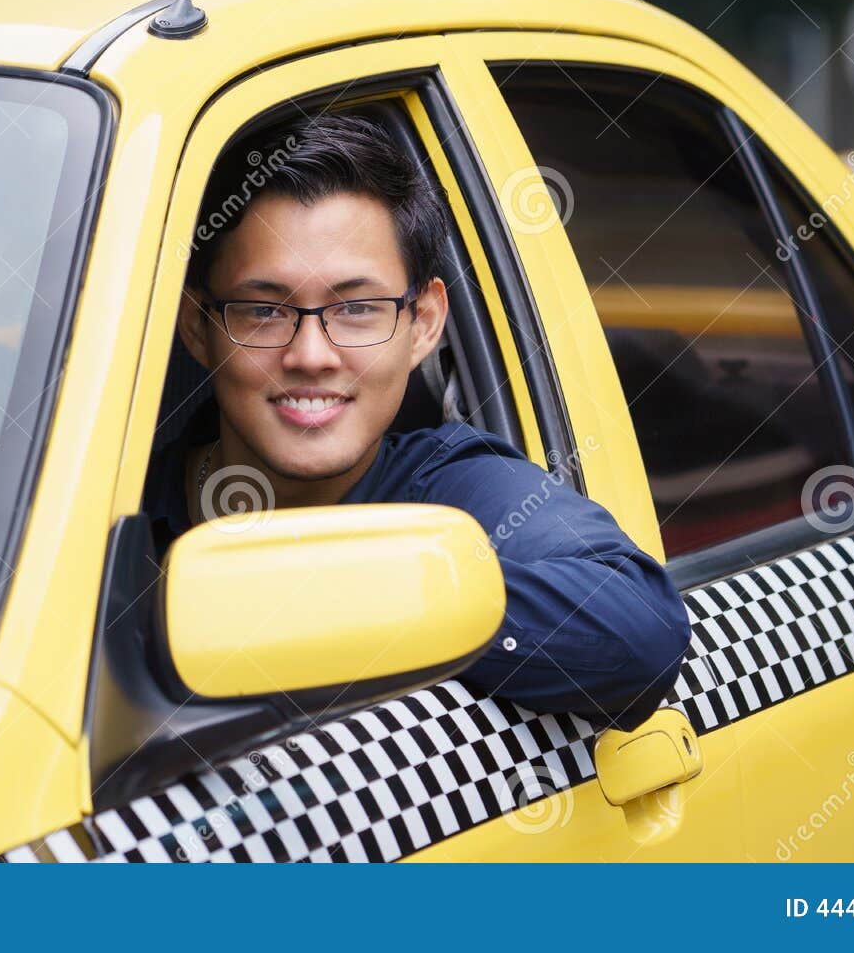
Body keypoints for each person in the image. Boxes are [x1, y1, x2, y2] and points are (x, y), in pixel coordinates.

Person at [142, 110, 691, 731]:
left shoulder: (457, 491)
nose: (311, 356)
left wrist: (341, 594)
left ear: (423, 323)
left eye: (356, 309)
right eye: (263, 311)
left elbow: (641, 632)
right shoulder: (108, 512)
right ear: (196, 325)